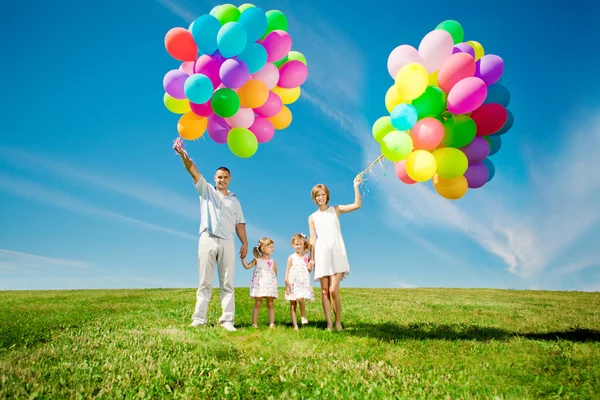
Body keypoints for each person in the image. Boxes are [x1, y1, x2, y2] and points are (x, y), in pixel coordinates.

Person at [173, 138, 248, 332]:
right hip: (207, 238)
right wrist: (183, 154)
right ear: (214, 179)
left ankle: (227, 321)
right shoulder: (206, 191)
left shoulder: (235, 201)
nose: (222, 180)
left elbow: (240, 224)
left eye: (225, 177)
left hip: (228, 242)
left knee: (227, 283)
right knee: (204, 281)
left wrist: (245, 243)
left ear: (229, 179)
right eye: (219, 177)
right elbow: (193, 170)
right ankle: (199, 318)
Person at [308, 174, 362, 331]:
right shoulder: (312, 217)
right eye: (317, 195)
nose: (320, 198)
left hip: (337, 252)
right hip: (322, 254)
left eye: (323, 194)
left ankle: (338, 321)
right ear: (314, 198)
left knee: (333, 290)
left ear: (327, 196)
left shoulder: (335, 210)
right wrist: (312, 259)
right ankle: (329, 324)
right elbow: (312, 240)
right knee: (324, 291)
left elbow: (357, 205)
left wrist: (356, 186)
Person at [241, 237, 279, 328]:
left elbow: (275, 274)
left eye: (272, 247)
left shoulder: (272, 261)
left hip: (269, 286)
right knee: (258, 303)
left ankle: (272, 323)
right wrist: (243, 259)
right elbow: (247, 266)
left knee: (270, 304)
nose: (272, 249)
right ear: (263, 248)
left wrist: (271, 283)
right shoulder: (257, 260)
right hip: (259, 285)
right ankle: (254, 323)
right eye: (270, 247)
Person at [284, 233, 314, 330]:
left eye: (301, 244)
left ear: (303, 244)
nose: (299, 246)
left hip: (302, 283)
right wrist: (287, 285)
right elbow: (287, 272)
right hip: (293, 283)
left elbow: (309, 269)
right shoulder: (291, 257)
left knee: (301, 298)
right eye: (297, 244)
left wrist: (309, 267)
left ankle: (303, 315)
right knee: (293, 304)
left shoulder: (306, 257)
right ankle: (295, 325)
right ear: (293, 245)